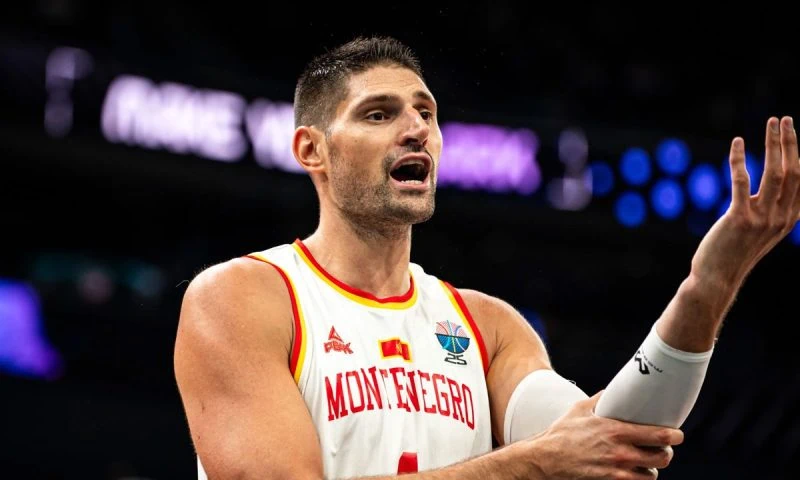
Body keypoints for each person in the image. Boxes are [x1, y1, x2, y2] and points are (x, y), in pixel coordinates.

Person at [173, 36, 799, 479]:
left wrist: (709, 284)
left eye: (426, 112)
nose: (416, 129)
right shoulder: (242, 298)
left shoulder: (486, 326)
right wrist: (529, 466)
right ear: (312, 150)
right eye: (379, 113)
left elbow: (613, 439)